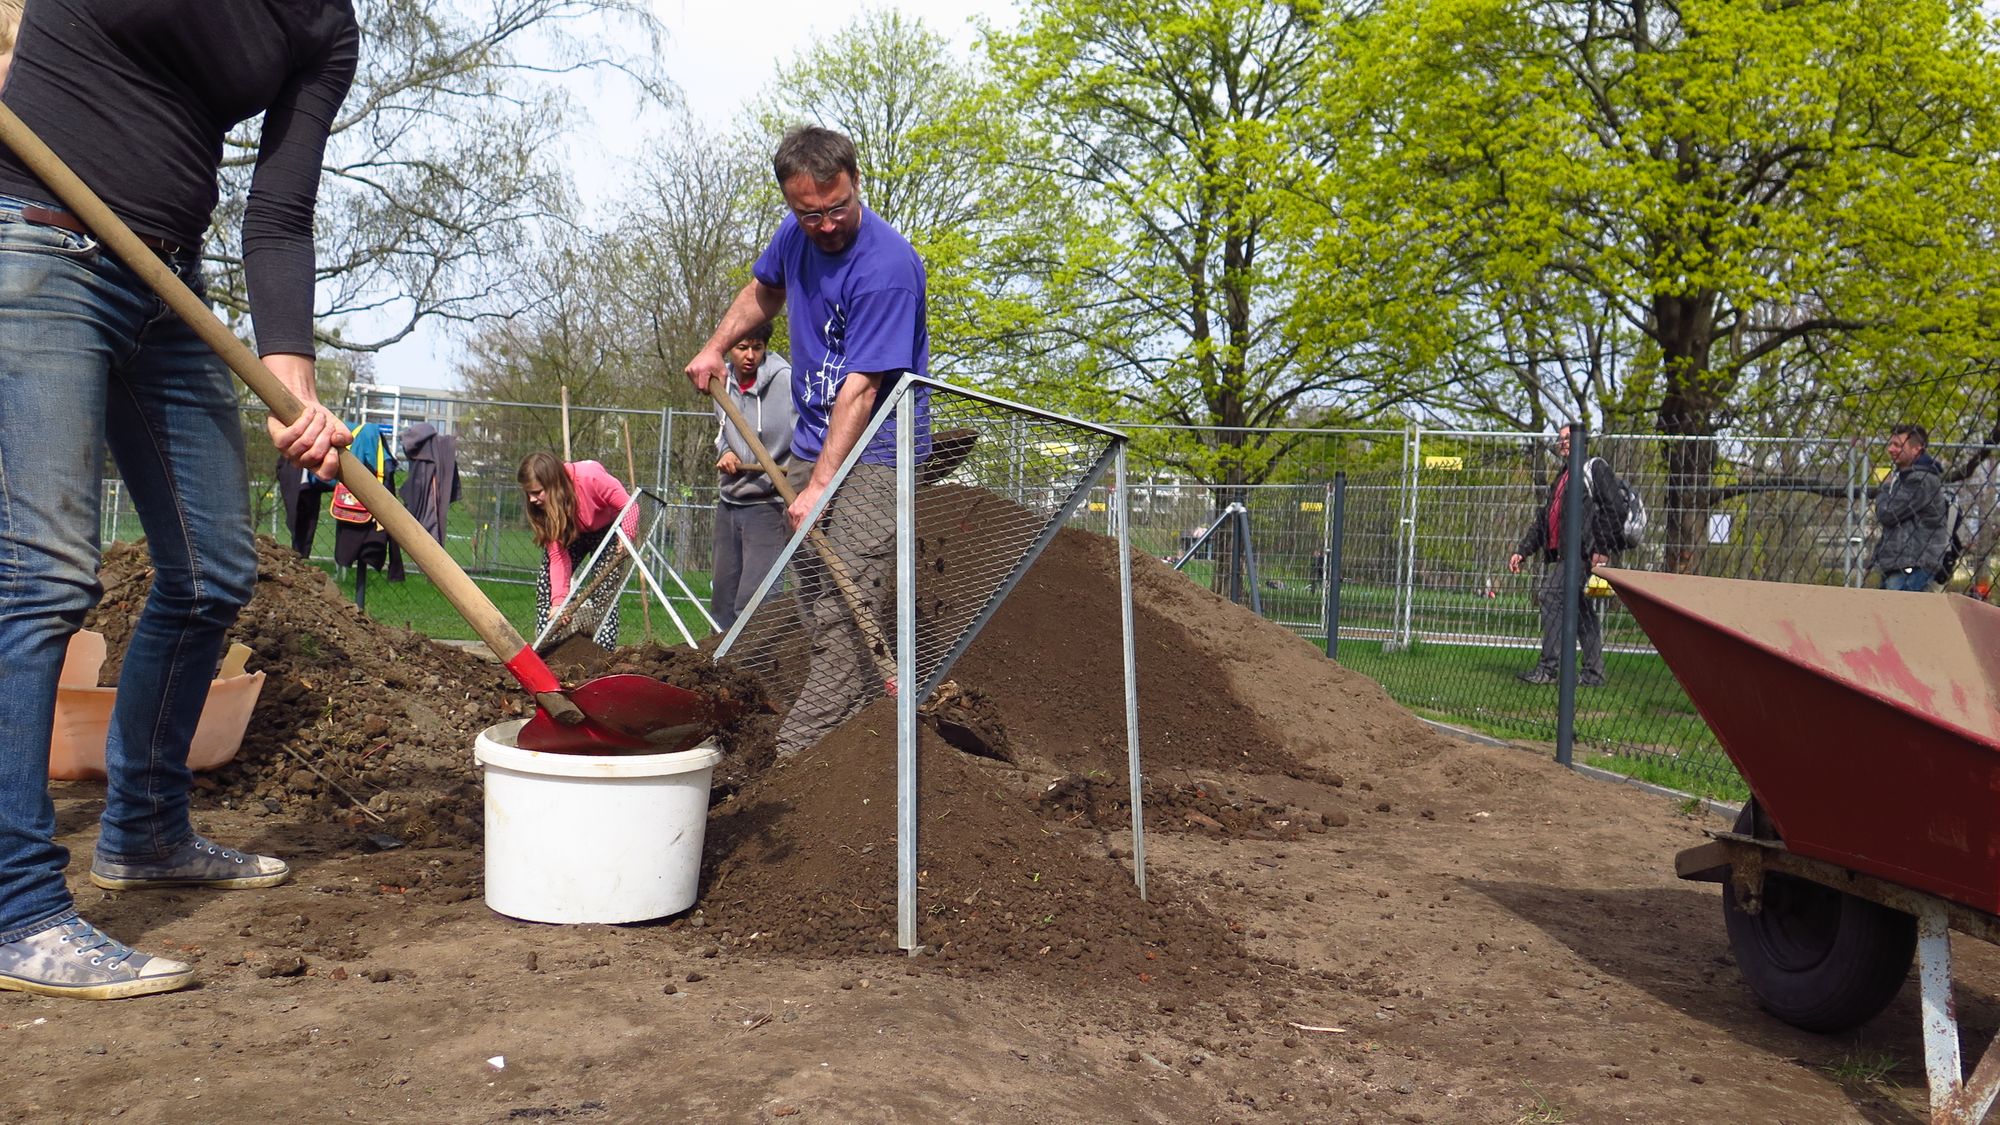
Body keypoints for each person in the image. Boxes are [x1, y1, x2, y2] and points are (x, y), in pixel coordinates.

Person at [0, 0, 357, 1000]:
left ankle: (147, 832)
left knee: (212, 572)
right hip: (35, 240)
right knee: (45, 574)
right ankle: (17, 909)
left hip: (165, 284)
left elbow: (281, 212)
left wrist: (295, 385)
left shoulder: (326, 27)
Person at [683, 125, 930, 759]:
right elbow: (763, 291)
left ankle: (797, 755)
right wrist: (714, 346)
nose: (824, 225)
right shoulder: (796, 238)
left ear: (855, 183)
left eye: (837, 208)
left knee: (853, 603)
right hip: (815, 439)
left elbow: (863, 389)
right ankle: (849, 731)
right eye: (808, 213)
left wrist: (818, 486)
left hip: (877, 450)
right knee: (818, 593)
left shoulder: (886, 268)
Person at [1507, 425, 1623, 686]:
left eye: (1568, 438)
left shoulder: (1594, 468)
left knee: (1550, 594)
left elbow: (1614, 507)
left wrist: (1601, 547)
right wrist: (1523, 550)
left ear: (1583, 441)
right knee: (1581, 611)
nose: (1563, 443)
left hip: (1583, 555)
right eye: (1560, 439)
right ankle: (1594, 673)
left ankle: (1549, 668)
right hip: (1563, 555)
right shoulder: (1562, 477)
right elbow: (1544, 519)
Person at [710, 321, 796, 632]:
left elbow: (804, 433)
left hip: (768, 504)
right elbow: (722, 433)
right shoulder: (719, 382)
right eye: (742, 347)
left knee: (755, 601)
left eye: (757, 347)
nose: (750, 355)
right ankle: (714, 668)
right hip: (729, 501)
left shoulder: (785, 381)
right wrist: (725, 453)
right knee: (722, 598)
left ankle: (758, 669)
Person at [517, 452, 640, 651]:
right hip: (572, 530)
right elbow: (558, 556)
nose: (531, 499)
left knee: (605, 589)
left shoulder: (590, 477)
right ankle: (547, 649)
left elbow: (630, 505)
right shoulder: (545, 508)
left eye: (537, 492)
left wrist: (626, 535)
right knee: (547, 583)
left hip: (607, 529)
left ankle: (602, 653)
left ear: (554, 484)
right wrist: (559, 602)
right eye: (528, 493)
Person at [1872, 422, 1948, 591]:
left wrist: (1885, 488)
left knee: (1896, 615)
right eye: (1890, 444)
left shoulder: (1920, 479)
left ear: (1917, 449)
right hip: (1902, 563)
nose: (1890, 449)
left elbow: (1887, 513)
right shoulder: (1906, 478)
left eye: (1897, 445)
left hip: (1911, 565)